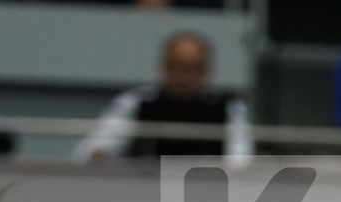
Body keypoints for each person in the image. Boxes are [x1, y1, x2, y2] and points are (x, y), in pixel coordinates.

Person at [74, 31, 252, 164]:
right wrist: (99, 155)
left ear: (207, 71)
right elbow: (89, 151)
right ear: (163, 66)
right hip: (141, 190)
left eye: (193, 68)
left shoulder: (229, 108)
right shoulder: (135, 102)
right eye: (177, 66)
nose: (184, 76)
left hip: (207, 191)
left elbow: (241, 160)